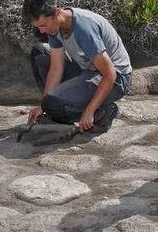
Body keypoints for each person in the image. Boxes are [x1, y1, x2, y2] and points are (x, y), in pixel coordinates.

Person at [23, 0, 131, 133]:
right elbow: (56, 68)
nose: (42, 30)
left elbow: (110, 73)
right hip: (87, 70)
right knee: (40, 52)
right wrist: (42, 106)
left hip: (116, 79)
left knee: (51, 104)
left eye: (43, 25)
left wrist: (89, 110)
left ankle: (100, 114)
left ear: (57, 12)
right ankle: (56, 108)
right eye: (38, 27)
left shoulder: (84, 28)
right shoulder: (56, 27)